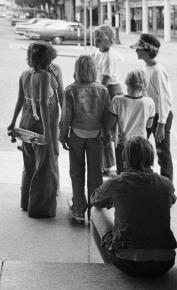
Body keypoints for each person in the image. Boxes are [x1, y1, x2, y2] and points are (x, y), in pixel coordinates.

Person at [90, 136, 177, 277]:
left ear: (126, 159)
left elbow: (95, 200)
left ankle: (110, 263)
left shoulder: (116, 183)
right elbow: (171, 200)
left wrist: (116, 201)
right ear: (150, 157)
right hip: (165, 262)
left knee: (95, 211)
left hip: (128, 263)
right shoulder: (165, 183)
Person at [7, 42, 59, 218]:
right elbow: (44, 105)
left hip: (25, 123)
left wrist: (12, 122)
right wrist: (47, 132)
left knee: (29, 166)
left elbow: (20, 100)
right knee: (44, 169)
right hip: (39, 127)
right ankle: (40, 209)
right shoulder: (44, 76)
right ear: (45, 58)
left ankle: (26, 203)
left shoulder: (24, 74)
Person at [59, 55, 111, 223]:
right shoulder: (102, 90)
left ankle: (79, 209)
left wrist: (62, 135)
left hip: (76, 135)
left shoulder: (70, 90)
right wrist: (107, 135)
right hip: (95, 135)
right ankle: (95, 212)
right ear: (94, 70)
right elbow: (107, 117)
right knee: (95, 173)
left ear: (77, 71)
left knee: (76, 172)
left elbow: (65, 117)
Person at [130, 34, 174, 180]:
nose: (136, 51)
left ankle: (168, 189)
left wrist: (161, 124)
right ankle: (143, 180)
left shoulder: (157, 71)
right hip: (150, 115)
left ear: (147, 51)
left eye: (139, 49)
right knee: (139, 147)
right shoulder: (146, 68)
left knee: (162, 153)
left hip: (160, 117)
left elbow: (165, 99)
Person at [108, 70, 155, 174]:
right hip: (141, 144)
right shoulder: (149, 102)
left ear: (127, 83)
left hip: (123, 144)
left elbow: (110, 125)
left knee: (123, 175)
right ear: (144, 85)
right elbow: (149, 124)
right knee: (140, 173)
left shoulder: (117, 101)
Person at [93, 25, 123, 178]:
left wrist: (95, 95)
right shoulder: (99, 51)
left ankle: (111, 166)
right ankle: (106, 165)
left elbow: (105, 78)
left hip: (109, 91)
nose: (95, 42)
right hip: (101, 88)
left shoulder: (111, 56)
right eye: (95, 38)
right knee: (102, 130)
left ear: (107, 40)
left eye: (98, 39)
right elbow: (94, 67)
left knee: (109, 130)